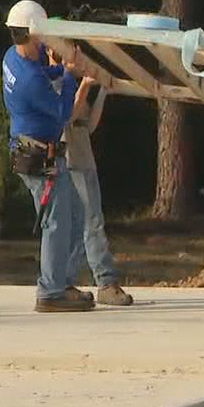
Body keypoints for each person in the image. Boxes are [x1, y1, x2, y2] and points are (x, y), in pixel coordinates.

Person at [2, 0, 93, 313]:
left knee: (75, 216)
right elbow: (63, 112)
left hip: (39, 151)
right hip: (38, 157)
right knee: (56, 222)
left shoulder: (14, 56)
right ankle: (51, 292)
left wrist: (59, 66)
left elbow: (45, 69)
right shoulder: (29, 81)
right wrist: (69, 75)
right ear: (31, 34)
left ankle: (61, 282)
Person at [64, 76, 134, 305]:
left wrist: (103, 91)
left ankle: (75, 283)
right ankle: (103, 282)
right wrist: (86, 85)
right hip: (71, 163)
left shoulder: (71, 84)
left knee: (90, 224)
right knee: (88, 225)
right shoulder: (53, 83)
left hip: (85, 162)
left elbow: (87, 125)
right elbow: (67, 116)